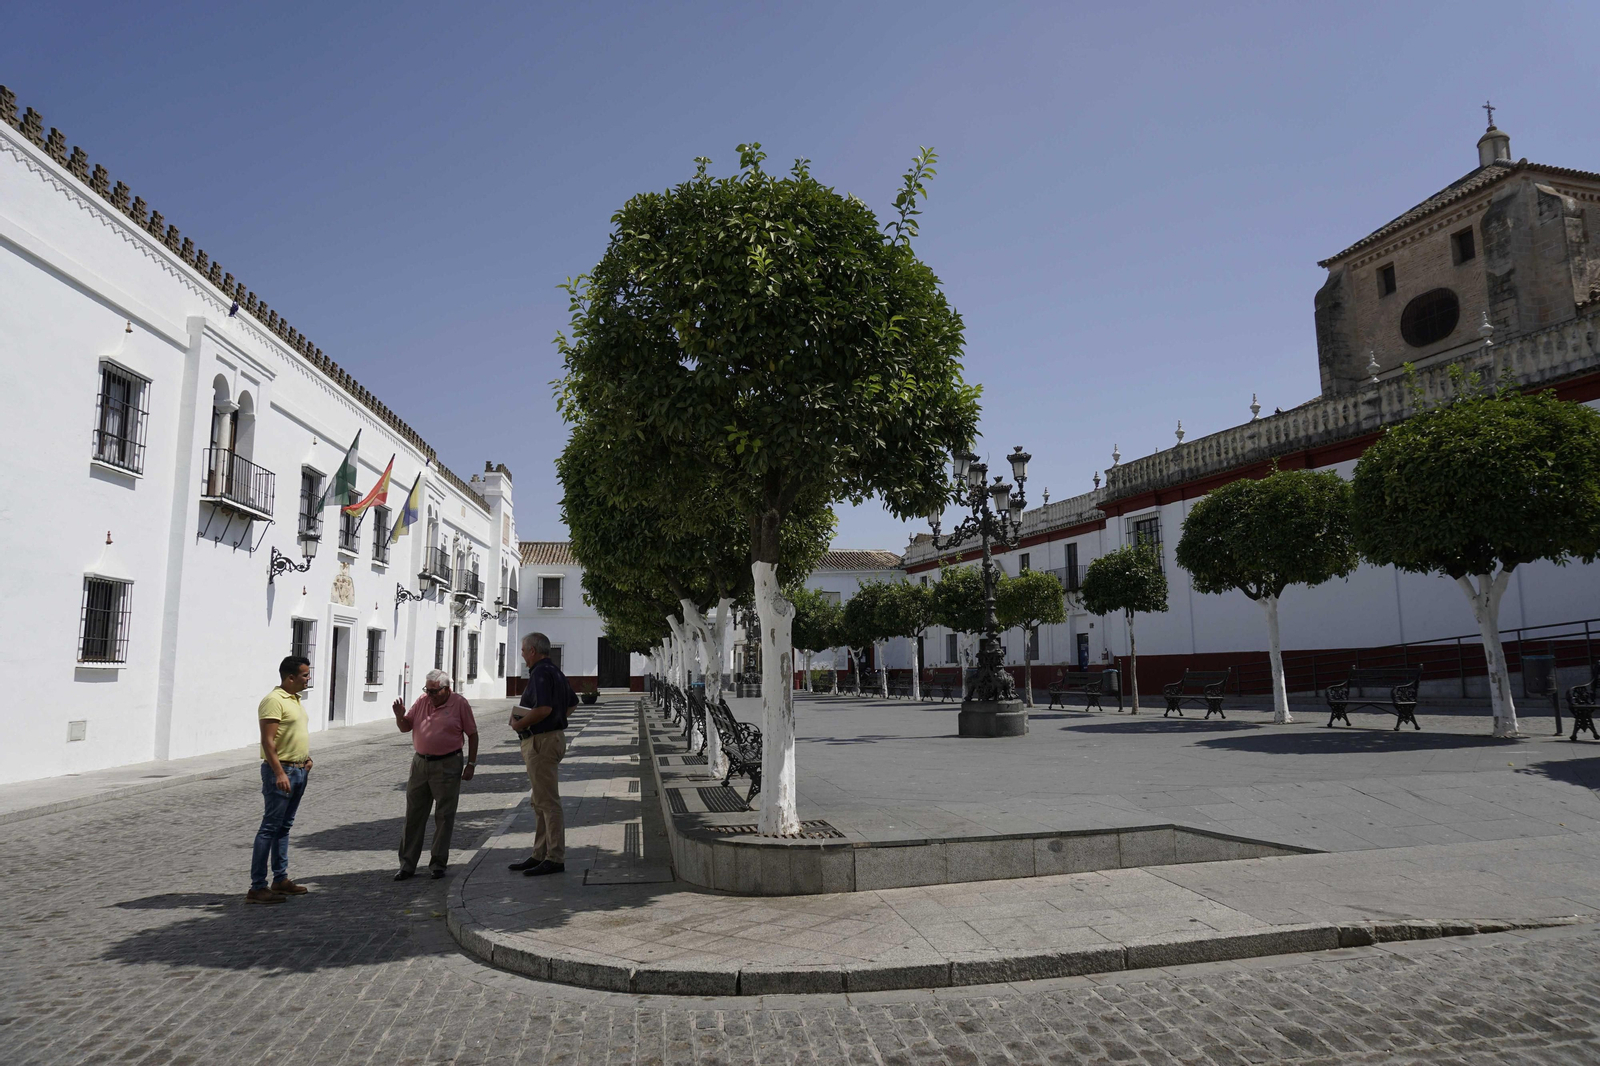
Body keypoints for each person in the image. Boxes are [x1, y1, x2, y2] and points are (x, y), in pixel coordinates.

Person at [392, 669, 479, 881]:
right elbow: (405, 727)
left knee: (444, 815)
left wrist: (471, 764)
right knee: (414, 814)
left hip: (448, 763)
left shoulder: (460, 704)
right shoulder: (422, 701)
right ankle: (407, 865)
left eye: (433, 691)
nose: (429, 694)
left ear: (446, 689)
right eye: (427, 690)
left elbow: (473, 734)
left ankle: (438, 863)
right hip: (421, 763)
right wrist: (399, 715)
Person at [507, 632, 577, 876]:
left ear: (533, 651)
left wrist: (519, 723)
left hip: (541, 741)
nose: (523, 655)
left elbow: (544, 708)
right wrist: (558, 719)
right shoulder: (555, 671)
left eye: (524, 651)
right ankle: (540, 853)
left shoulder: (539, 673)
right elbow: (572, 702)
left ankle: (555, 857)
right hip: (551, 739)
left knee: (547, 801)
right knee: (539, 800)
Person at [249, 655, 314, 904]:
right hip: (282, 772)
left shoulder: (295, 699)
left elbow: (293, 734)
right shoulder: (273, 701)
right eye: (305, 675)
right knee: (269, 828)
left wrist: (306, 759)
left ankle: (280, 879)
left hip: (299, 770)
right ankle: (257, 887)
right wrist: (279, 773)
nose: (308, 678)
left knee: (284, 828)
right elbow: (268, 741)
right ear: (290, 677)